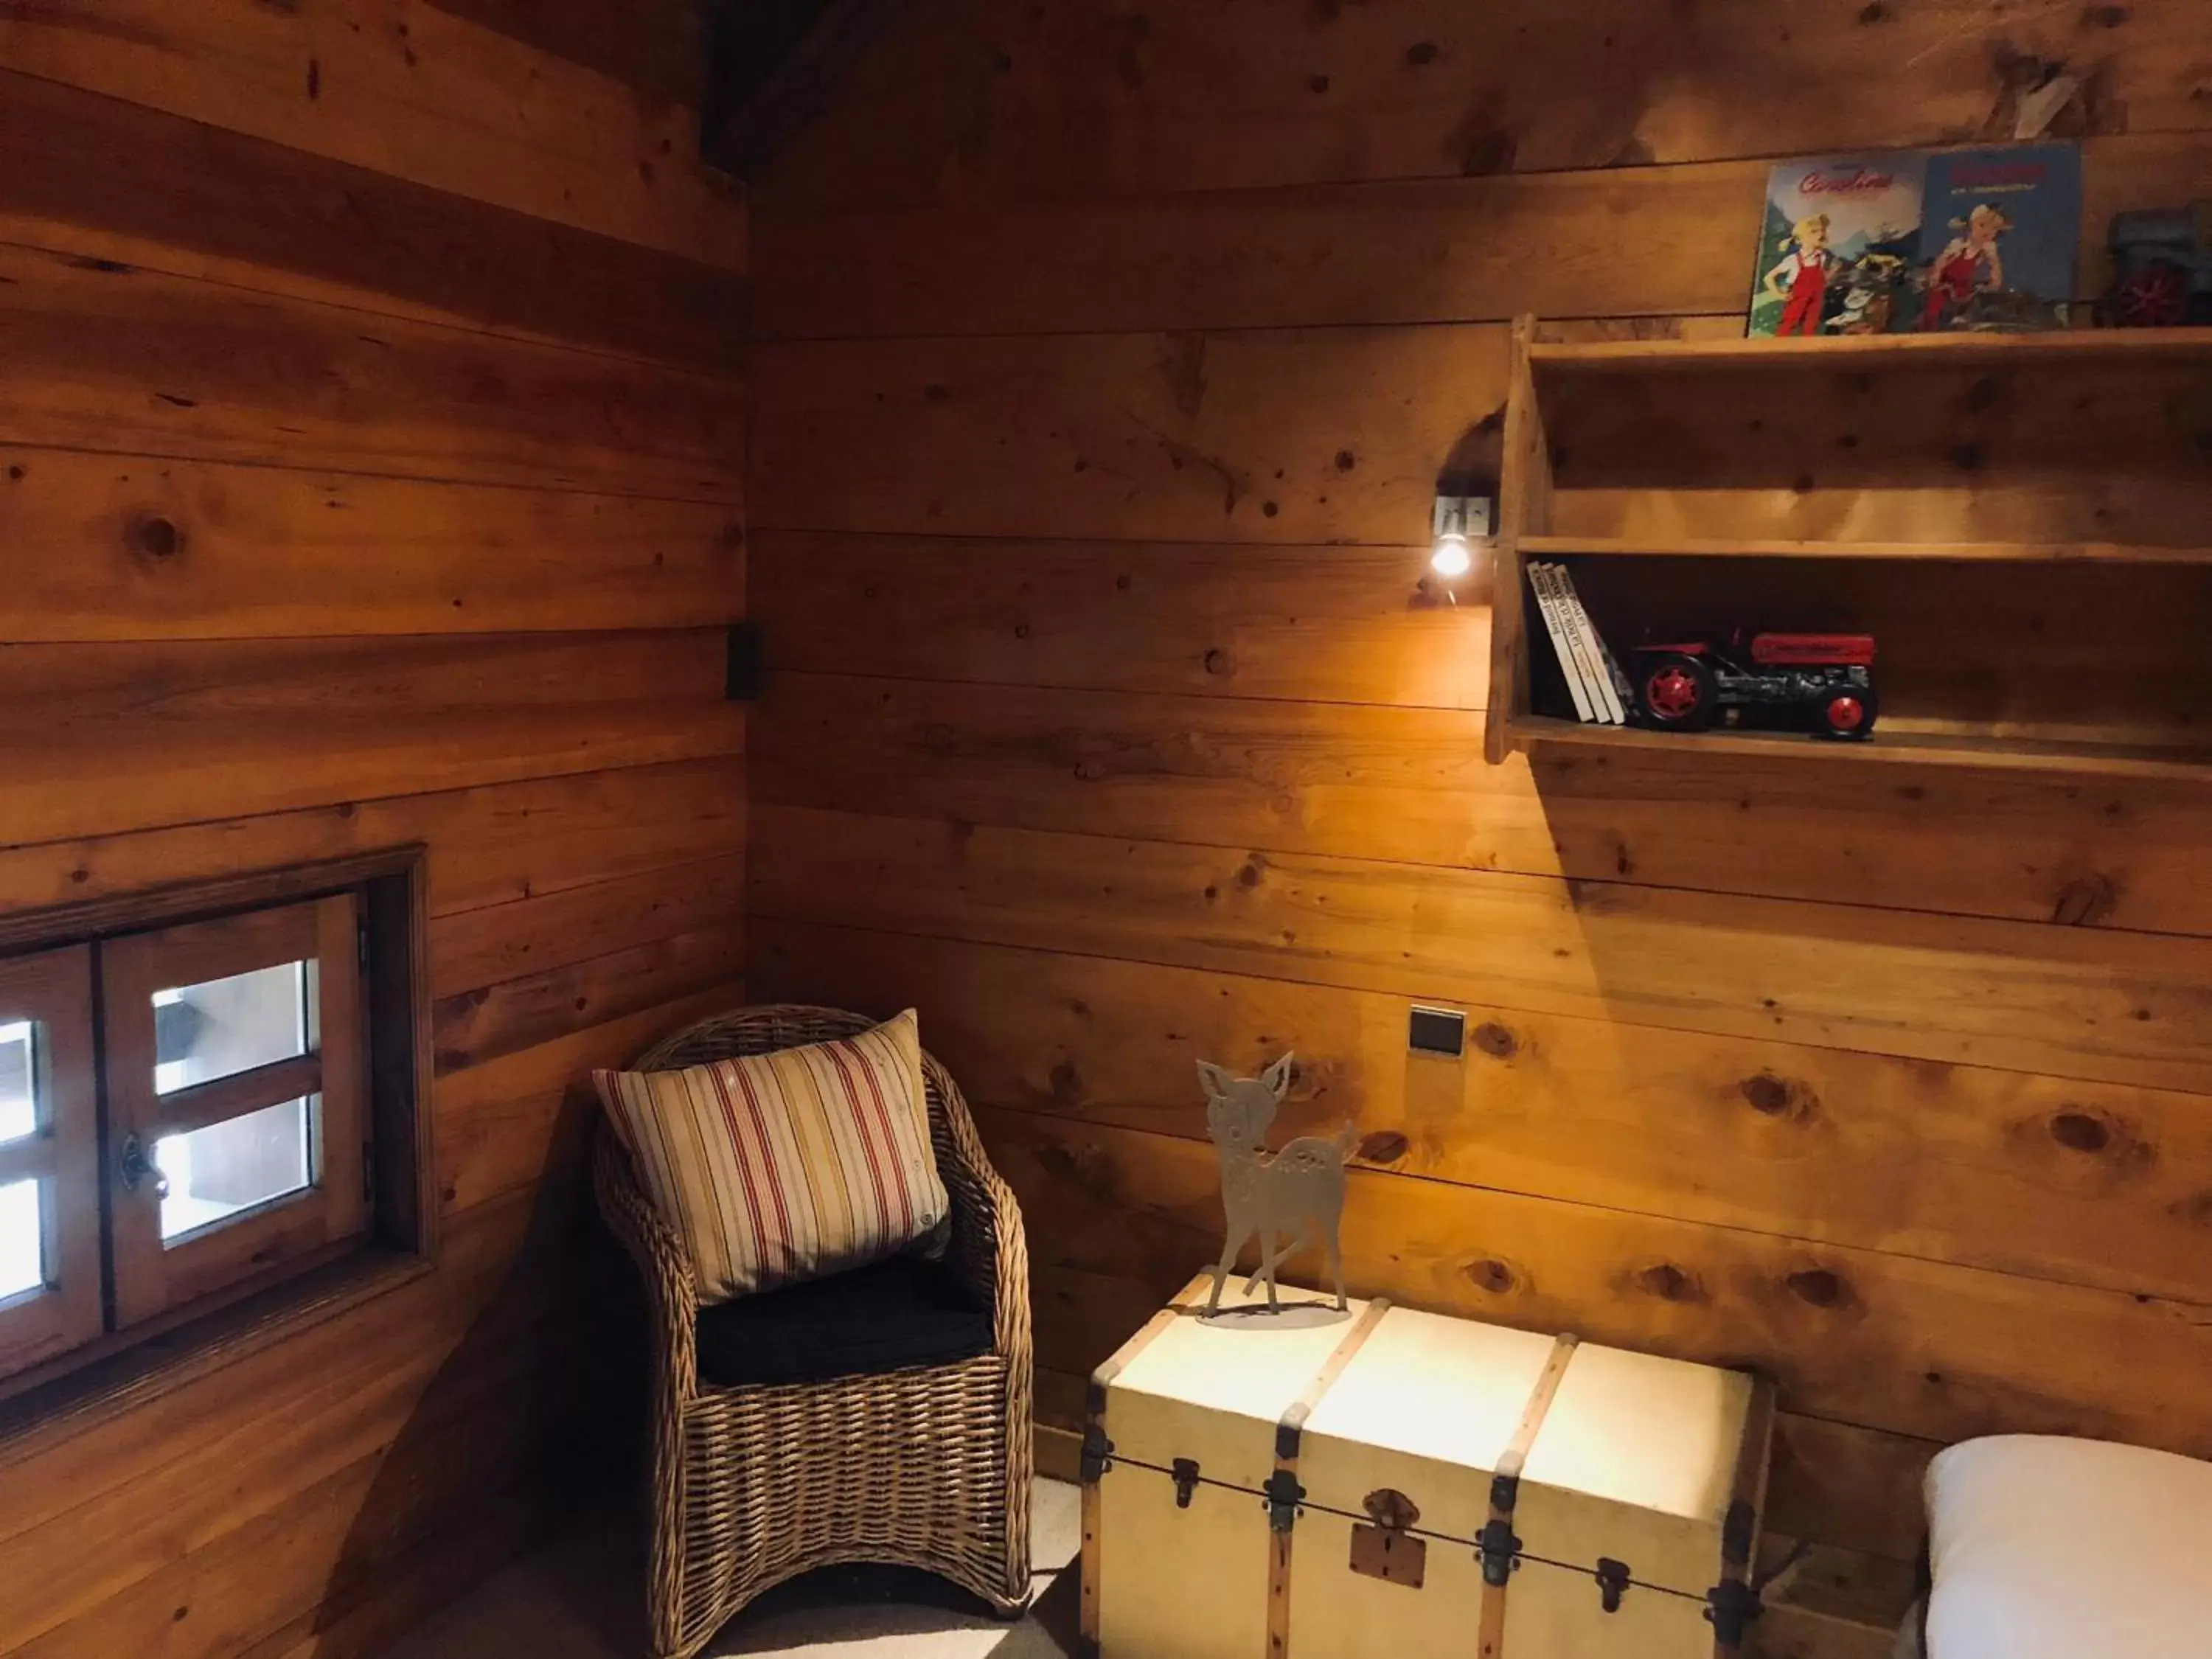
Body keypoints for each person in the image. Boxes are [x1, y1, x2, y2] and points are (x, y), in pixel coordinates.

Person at [1920, 204, 2011, 330]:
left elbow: (1996, 280)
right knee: (1935, 308)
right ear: (1972, 225)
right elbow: (1941, 261)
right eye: (1982, 225)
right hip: (1946, 293)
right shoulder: (1958, 245)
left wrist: (1993, 263)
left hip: (1969, 297)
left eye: (1994, 229)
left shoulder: (1989, 253)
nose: (1987, 232)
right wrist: (1936, 275)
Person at [1764, 213, 1835, 335]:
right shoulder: (1793, 260)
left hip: (1816, 299)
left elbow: (1824, 276)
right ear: (1800, 239)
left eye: (1821, 231)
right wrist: (1779, 295)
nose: (1820, 235)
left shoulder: (1822, 257)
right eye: (1814, 232)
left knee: (1811, 326)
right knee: (1789, 325)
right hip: (1797, 299)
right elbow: (1768, 277)